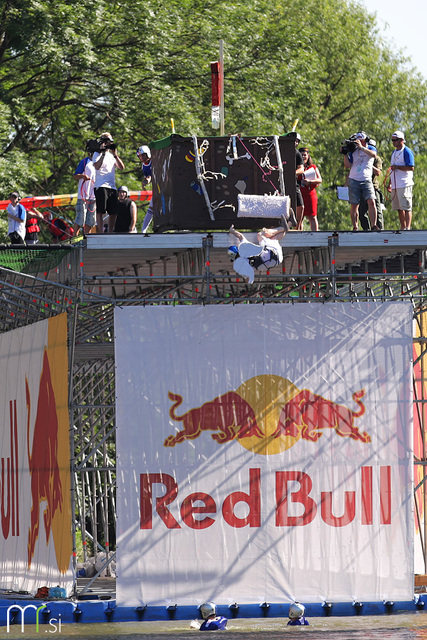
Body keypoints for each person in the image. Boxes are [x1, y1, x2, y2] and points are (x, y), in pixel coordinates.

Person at [228, 218, 287, 284]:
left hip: (277, 260)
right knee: (261, 235)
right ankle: (283, 228)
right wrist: (232, 231)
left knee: (274, 238)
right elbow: (240, 236)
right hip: (272, 254)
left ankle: (289, 224)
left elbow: (248, 280)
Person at [343, 132, 378, 231]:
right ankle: (355, 226)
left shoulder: (370, 147)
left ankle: (374, 225)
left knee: (371, 201)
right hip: (354, 179)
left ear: (365, 140)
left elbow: (373, 155)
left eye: (361, 140)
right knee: (354, 204)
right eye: (357, 141)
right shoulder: (353, 151)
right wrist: (345, 154)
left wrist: (361, 147)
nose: (358, 142)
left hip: (366, 179)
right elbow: (347, 166)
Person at [92, 132, 125, 233]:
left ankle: (110, 231)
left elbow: (121, 167)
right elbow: (97, 166)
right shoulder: (97, 154)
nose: (108, 144)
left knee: (114, 211)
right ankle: (101, 231)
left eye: (110, 142)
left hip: (112, 186)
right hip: (101, 185)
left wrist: (115, 155)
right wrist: (102, 153)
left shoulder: (111, 156)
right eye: (107, 142)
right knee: (101, 210)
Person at [389, 130, 415, 230]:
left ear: (402, 140)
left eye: (395, 140)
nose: (394, 142)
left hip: (404, 183)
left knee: (406, 206)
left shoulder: (407, 151)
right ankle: (402, 227)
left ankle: (408, 227)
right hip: (396, 184)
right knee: (399, 207)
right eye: (392, 140)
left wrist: (398, 167)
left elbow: (411, 167)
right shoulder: (394, 153)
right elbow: (392, 169)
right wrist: (390, 183)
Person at [73, 141, 97, 236]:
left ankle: (87, 236)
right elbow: (75, 175)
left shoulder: (98, 163)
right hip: (83, 195)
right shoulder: (84, 162)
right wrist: (83, 176)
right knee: (80, 216)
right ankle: (75, 236)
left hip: (94, 195)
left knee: (91, 219)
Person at [359, 147, 384, 231]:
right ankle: (366, 228)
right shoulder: (361, 157)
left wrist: (369, 164)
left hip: (373, 187)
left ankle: (378, 228)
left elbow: (377, 172)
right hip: (362, 186)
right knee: (362, 211)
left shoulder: (376, 159)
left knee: (376, 209)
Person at [298, 148, 322, 231]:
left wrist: (310, 182)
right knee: (299, 217)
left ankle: (315, 235)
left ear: (308, 156)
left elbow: (319, 180)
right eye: (301, 155)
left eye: (305, 155)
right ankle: (298, 234)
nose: (303, 157)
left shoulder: (312, 167)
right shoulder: (296, 168)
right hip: (299, 194)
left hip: (310, 194)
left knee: (312, 216)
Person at [285, 132, 304, 228]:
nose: (295, 143)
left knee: (301, 206)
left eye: (297, 141)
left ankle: (298, 227)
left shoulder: (297, 153)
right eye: (294, 141)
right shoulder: (281, 151)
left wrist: (293, 173)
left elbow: (301, 169)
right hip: (281, 182)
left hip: (293, 182)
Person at [137, 145, 154, 233]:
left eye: (143, 155)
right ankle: (143, 230)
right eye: (140, 156)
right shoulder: (144, 166)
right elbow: (149, 176)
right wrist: (146, 181)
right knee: (151, 209)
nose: (142, 158)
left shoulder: (155, 160)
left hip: (165, 186)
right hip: (157, 188)